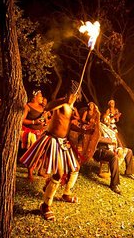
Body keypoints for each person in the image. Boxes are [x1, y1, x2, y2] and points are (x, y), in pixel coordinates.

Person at [19, 92, 80, 221]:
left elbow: (69, 125)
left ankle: (66, 194)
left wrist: (86, 131)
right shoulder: (61, 103)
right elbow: (48, 107)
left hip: (64, 142)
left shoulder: (72, 109)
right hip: (52, 140)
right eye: (72, 94)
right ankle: (45, 205)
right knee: (59, 173)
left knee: (75, 168)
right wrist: (64, 99)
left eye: (76, 95)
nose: (73, 97)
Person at [93, 122, 134, 195]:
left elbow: (117, 139)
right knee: (114, 157)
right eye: (107, 117)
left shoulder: (109, 129)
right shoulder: (98, 127)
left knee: (128, 151)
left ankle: (129, 173)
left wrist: (119, 148)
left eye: (109, 117)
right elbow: (97, 139)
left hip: (111, 148)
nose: (108, 119)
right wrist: (111, 141)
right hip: (101, 150)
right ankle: (114, 185)